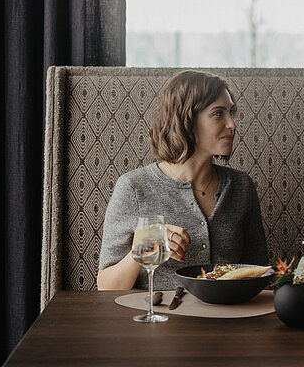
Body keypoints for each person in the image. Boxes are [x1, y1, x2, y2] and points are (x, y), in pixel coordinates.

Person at [97, 70, 268, 290]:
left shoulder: (241, 186)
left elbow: (260, 272)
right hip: (158, 319)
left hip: (228, 320)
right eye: (218, 114)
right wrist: (143, 249)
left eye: (231, 112)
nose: (232, 124)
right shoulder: (133, 188)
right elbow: (105, 287)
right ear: (186, 119)